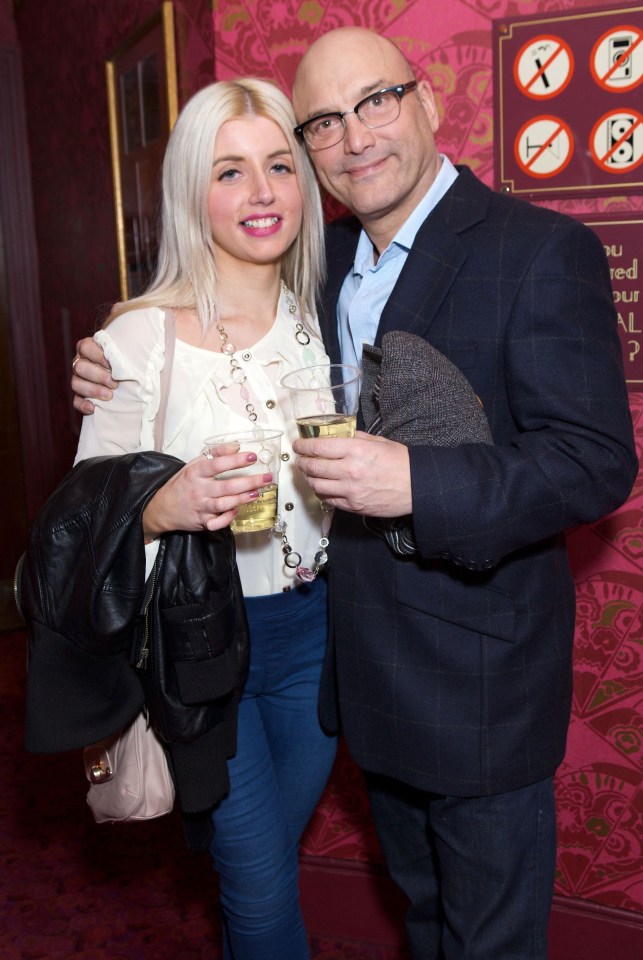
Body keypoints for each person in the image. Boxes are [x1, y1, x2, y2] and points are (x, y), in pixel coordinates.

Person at [71, 27, 638, 960]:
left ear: (424, 101)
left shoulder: (538, 251)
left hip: (479, 686)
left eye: (375, 101)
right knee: (423, 919)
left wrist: (415, 480)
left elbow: (592, 462)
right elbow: (206, 328)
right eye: (324, 122)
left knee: (491, 942)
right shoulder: (317, 262)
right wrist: (105, 362)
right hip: (358, 674)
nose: (354, 138)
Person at [68, 77, 337, 960]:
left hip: (321, 640)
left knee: (263, 873)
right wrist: (163, 506)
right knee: (260, 893)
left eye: (277, 167)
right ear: (193, 191)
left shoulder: (323, 318)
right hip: (200, 650)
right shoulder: (132, 342)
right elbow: (81, 538)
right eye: (229, 171)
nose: (261, 193)